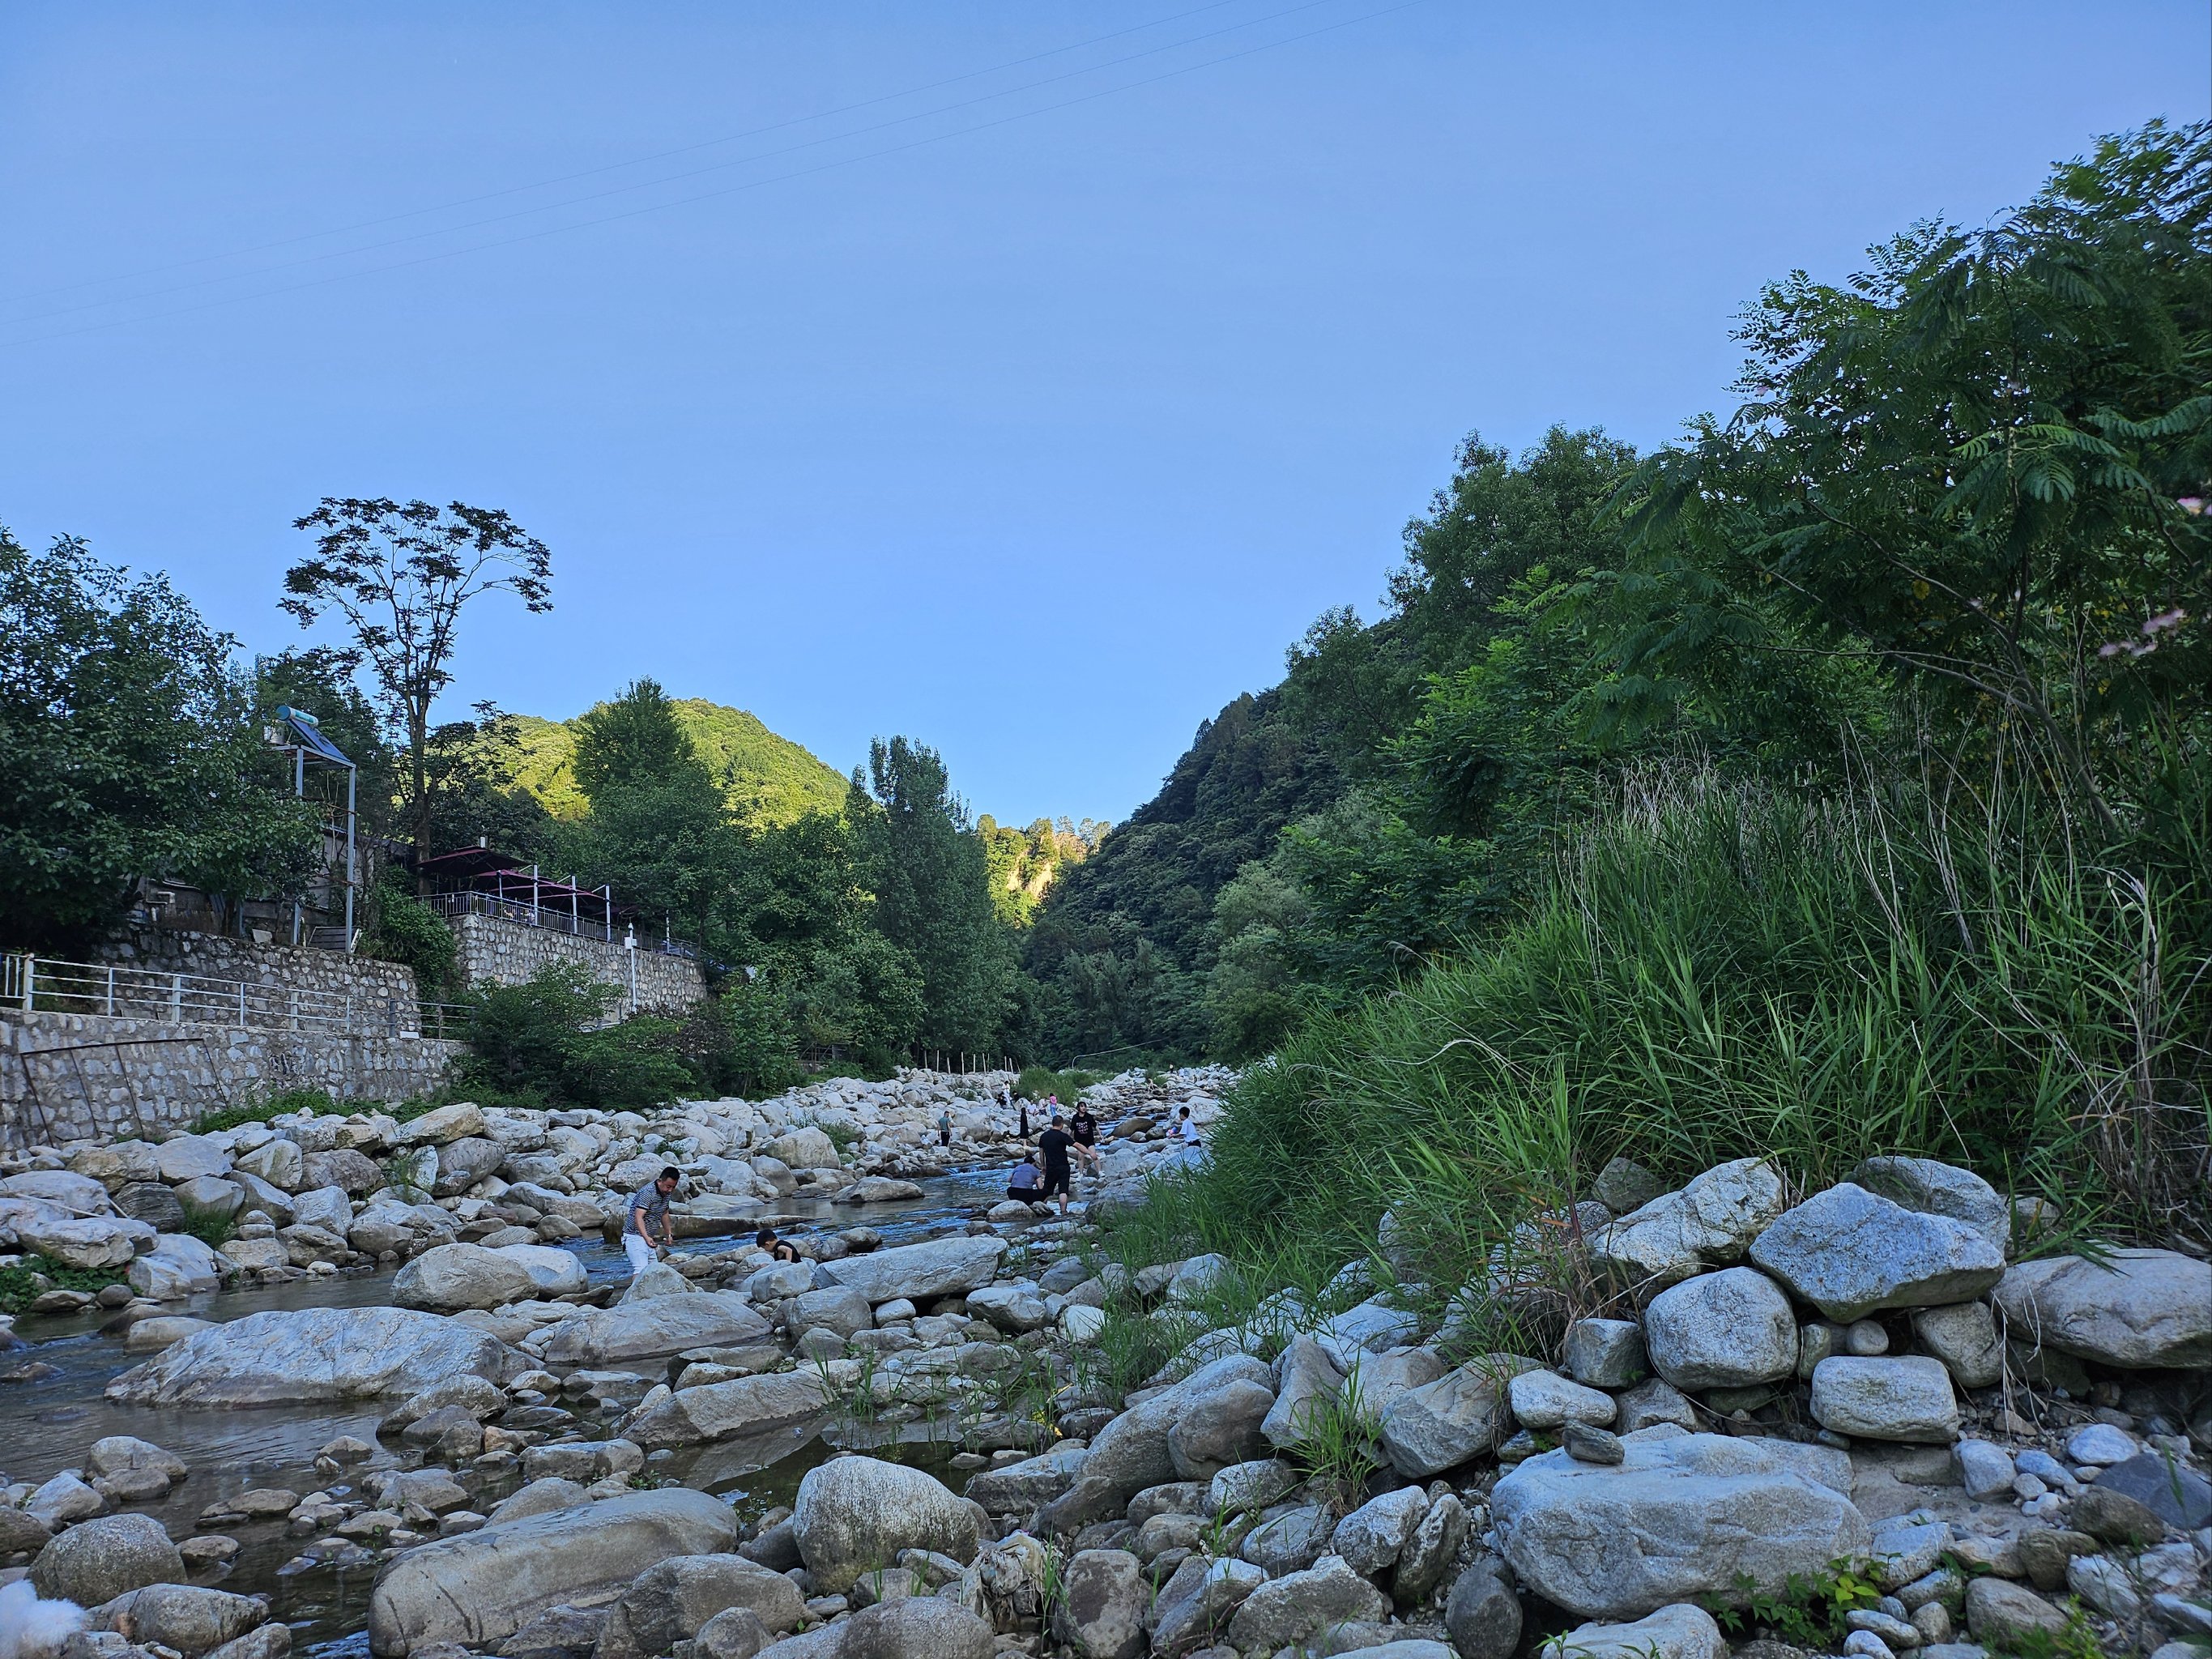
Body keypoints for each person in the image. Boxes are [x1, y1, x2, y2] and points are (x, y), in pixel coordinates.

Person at [627, 1166, 680, 1276]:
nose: (670, 1190)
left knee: (654, 1271)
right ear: (660, 1181)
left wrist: (668, 1234)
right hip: (634, 1236)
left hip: (648, 1237)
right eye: (668, 1186)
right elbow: (638, 1217)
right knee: (641, 1270)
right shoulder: (648, 1193)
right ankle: (635, 1293)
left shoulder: (666, 1193)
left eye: (673, 1187)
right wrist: (646, 1238)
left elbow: (664, 1213)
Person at [1038, 1114, 1076, 1216]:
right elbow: (1076, 1145)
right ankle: (1063, 1211)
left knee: (1047, 1190)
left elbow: (1041, 1153)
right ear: (1061, 1124)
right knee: (1063, 1190)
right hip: (1063, 1166)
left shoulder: (1044, 1136)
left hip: (1051, 1167)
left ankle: (1041, 1208)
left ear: (1052, 1123)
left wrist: (1043, 1166)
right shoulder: (1063, 1136)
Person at [1068, 1101, 1101, 1172]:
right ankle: (1080, 1174)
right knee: (1080, 1157)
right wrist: (1066, 1138)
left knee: (1094, 1156)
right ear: (1078, 1108)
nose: (1084, 1108)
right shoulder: (1075, 1118)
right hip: (1080, 1142)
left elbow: (1095, 1126)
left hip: (1089, 1140)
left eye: (1084, 1106)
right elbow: (1071, 1129)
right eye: (1082, 1106)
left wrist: (1100, 1135)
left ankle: (1100, 1172)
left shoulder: (1089, 1116)